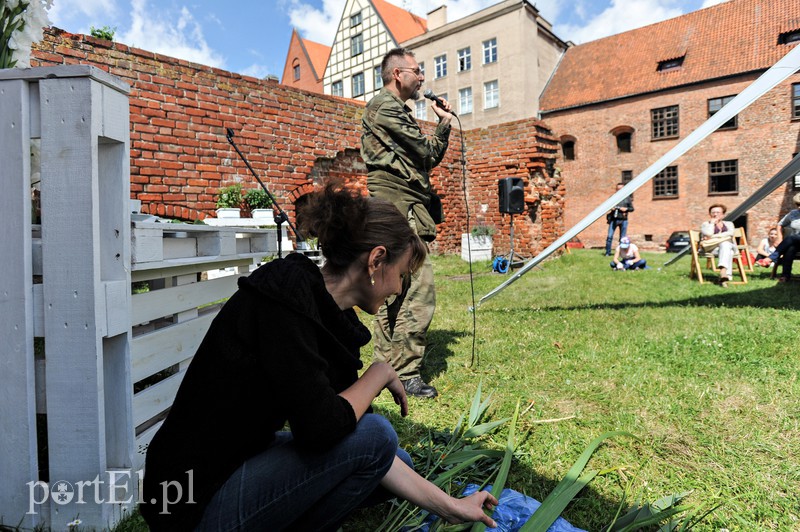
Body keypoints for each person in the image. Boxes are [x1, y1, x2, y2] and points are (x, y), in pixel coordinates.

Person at [140, 183, 498, 531]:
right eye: (402, 275)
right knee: (378, 437)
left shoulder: (332, 318)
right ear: (376, 261)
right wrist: (378, 374)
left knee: (391, 458)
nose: (399, 288)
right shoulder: (284, 297)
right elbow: (322, 431)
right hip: (191, 502)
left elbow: (346, 428)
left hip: (240, 462)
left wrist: (450, 506)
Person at [361, 48, 454, 399]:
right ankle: (406, 372)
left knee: (394, 286)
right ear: (398, 74)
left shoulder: (396, 110)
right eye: (417, 71)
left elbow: (425, 159)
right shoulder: (384, 107)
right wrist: (442, 126)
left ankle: (384, 367)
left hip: (402, 204)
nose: (423, 77)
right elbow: (426, 152)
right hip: (398, 205)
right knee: (418, 288)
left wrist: (442, 125)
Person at [700, 203, 737, 287]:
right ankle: (726, 275)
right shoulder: (705, 224)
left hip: (727, 247)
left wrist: (713, 237)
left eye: (718, 212)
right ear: (710, 214)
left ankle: (723, 273)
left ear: (723, 214)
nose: (715, 214)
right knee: (729, 250)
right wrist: (712, 224)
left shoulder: (729, 224)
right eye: (713, 212)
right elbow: (708, 233)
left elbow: (731, 233)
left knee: (725, 244)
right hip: (712, 248)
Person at [604, 183, 634, 256]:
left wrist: (626, 209)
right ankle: (608, 252)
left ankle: (621, 253)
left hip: (624, 220)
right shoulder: (613, 197)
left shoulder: (627, 198)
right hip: (613, 219)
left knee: (622, 238)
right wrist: (611, 208)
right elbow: (606, 206)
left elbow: (632, 209)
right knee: (609, 236)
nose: (619, 190)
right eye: (618, 189)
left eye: (621, 189)